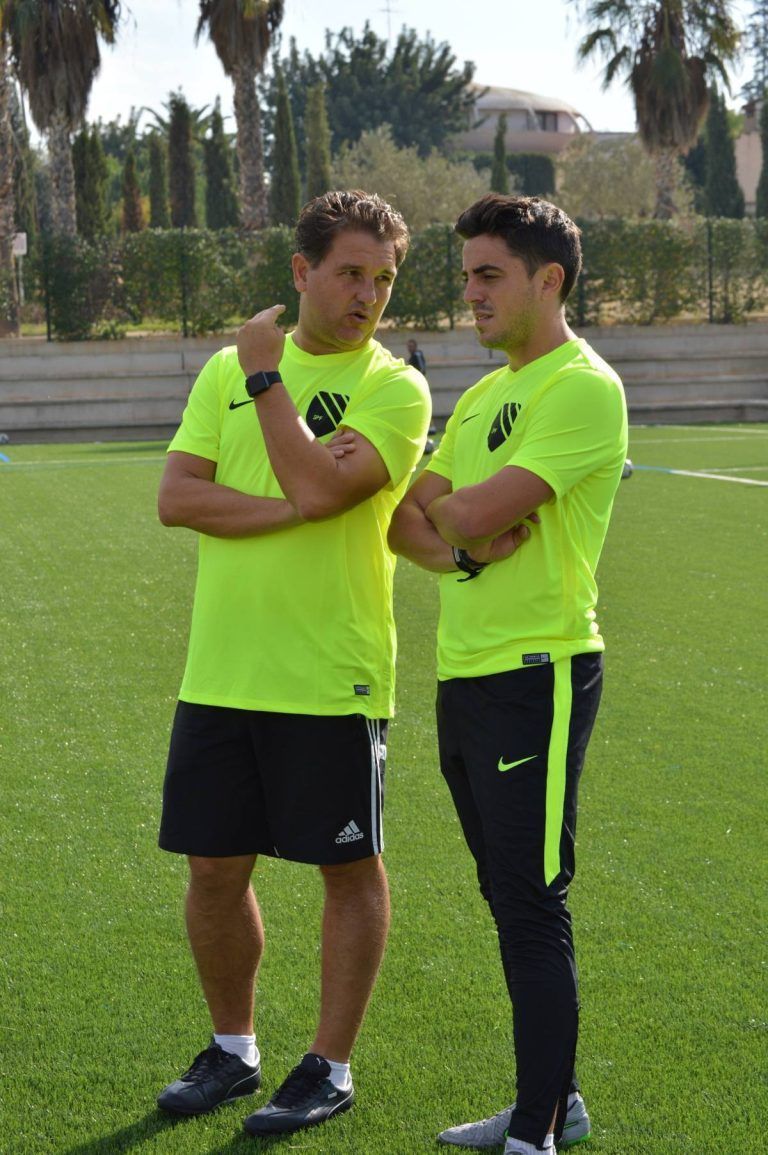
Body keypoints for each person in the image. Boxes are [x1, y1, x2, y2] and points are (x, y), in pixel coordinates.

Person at [155, 190, 431, 1138]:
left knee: (348, 867)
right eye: (351, 272)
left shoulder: (396, 387)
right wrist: (291, 509)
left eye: (383, 279)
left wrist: (271, 389)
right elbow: (179, 497)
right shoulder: (226, 370)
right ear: (302, 269)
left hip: (332, 672)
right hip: (221, 669)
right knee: (212, 872)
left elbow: (322, 482)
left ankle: (329, 1065)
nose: (367, 295)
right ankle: (233, 1051)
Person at [388, 194, 627, 1155]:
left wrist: (459, 521)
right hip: (465, 671)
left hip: (543, 670)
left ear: (547, 280)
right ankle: (552, 1096)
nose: (472, 294)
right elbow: (415, 517)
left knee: (532, 897)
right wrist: (468, 544)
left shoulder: (581, 385)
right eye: (468, 275)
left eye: (490, 275)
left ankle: (538, 1130)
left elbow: (479, 504)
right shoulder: (486, 396)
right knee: (504, 891)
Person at [407, 337, 438, 444]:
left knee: (422, 405)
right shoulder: (413, 356)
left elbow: (421, 368)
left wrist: (417, 379)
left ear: (415, 346)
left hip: (418, 385)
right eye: (408, 346)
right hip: (415, 384)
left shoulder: (417, 355)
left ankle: (431, 428)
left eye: (411, 346)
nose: (409, 348)